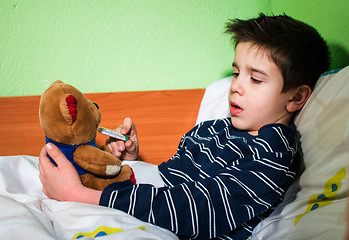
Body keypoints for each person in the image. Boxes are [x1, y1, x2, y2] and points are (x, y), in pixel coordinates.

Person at [38, 13, 330, 239]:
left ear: (297, 96)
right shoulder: (216, 128)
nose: (236, 87)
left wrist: (81, 196)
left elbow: (199, 208)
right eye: (236, 72)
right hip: (142, 199)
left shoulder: (273, 154)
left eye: (255, 79)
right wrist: (128, 162)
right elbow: (172, 175)